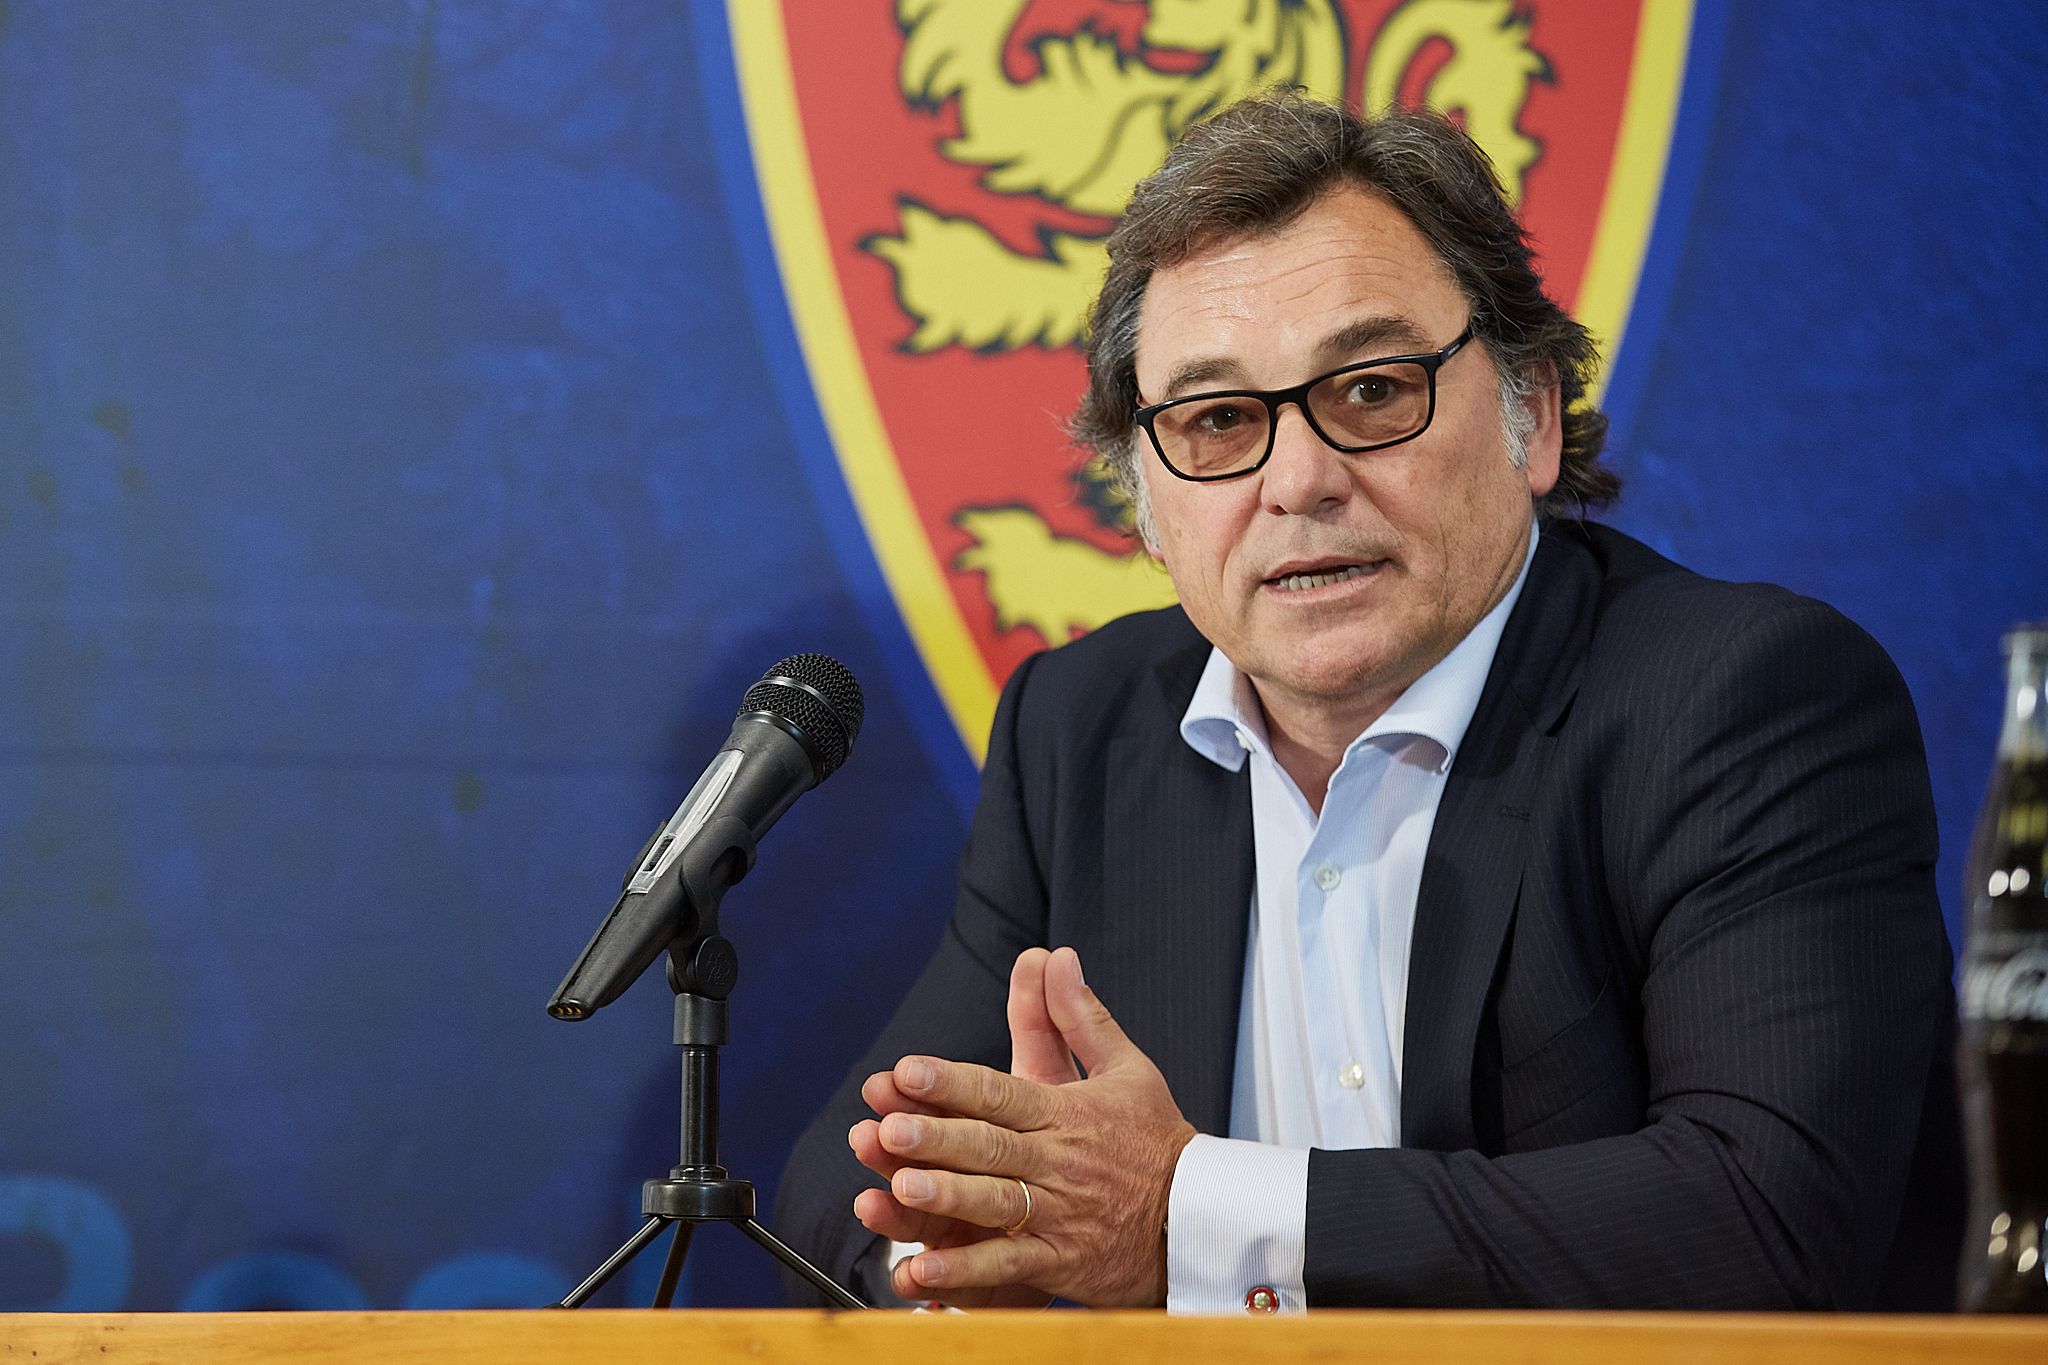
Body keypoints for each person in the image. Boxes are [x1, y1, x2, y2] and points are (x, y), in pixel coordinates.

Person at [775, 92, 1962, 1312]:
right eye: (1218, 419)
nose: (1299, 480)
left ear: (1533, 415)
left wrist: (1187, 1218)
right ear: (1143, 500)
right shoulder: (1082, 732)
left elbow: (1769, 1214)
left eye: (1372, 391)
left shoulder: (1740, 702)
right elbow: (848, 1192)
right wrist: (976, 1270)